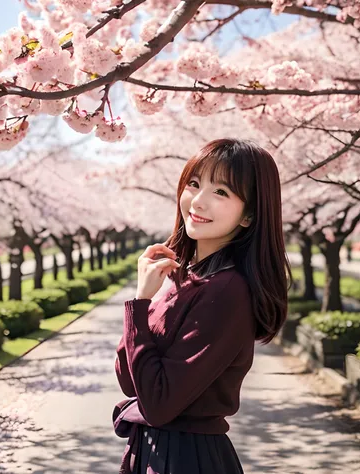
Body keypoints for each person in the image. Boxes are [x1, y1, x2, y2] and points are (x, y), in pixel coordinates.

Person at [114, 138, 293, 473]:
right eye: (194, 184)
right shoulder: (186, 277)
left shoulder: (227, 291)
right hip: (158, 453)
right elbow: (130, 381)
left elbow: (158, 404)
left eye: (221, 192)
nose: (198, 200)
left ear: (249, 216)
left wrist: (139, 306)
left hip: (184, 458)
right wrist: (144, 300)